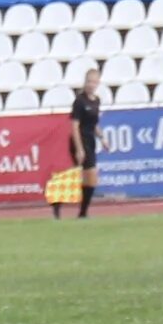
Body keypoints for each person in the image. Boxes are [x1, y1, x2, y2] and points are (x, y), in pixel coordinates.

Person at [66, 66, 103, 221]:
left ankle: (82, 212)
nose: (91, 85)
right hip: (80, 141)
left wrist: (102, 137)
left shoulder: (97, 101)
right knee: (92, 176)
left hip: (90, 141)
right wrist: (79, 149)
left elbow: (93, 124)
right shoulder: (79, 101)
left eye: (94, 82)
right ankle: (82, 212)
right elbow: (75, 126)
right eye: (89, 81)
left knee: (88, 179)